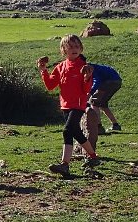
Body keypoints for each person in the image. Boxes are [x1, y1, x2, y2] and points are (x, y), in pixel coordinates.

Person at [37, 34, 98, 176]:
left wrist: (87, 77)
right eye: (70, 47)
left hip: (78, 105)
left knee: (66, 131)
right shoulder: (60, 67)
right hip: (65, 105)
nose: (74, 49)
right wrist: (43, 70)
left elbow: (86, 90)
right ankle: (93, 157)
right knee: (75, 132)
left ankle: (65, 164)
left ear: (81, 48)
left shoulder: (84, 67)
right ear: (64, 50)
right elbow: (51, 85)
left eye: (77, 46)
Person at [82, 61, 123, 150]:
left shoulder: (91, 69)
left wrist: (90, 93)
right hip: (117, 81)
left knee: (94, 102)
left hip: (109, 81)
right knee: (103, 105)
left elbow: (97, 81)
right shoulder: (96, 67)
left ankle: (99, 128)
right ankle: (115, 125)